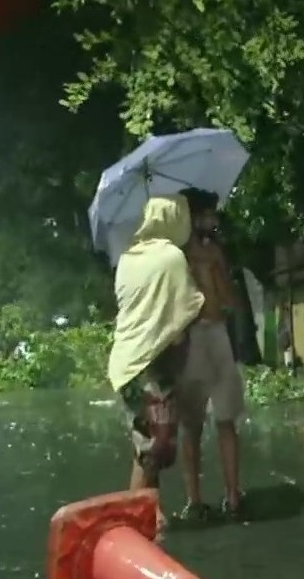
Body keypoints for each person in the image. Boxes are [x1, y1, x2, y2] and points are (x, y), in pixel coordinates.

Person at [107, 195, 205, 532]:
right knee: (156, 445)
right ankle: (137, 520)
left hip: (126, 362)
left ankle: (149, 512)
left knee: (145, 441)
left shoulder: (126, 258)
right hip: (153, 362)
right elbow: (191, 306)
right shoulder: (171, 257)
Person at [175, 188, 247, 521]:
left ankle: (232, 493)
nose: (213, 220)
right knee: (192, 423)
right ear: (194, 217)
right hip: (191, 339)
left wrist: (217, 273)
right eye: (208, 215)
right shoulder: (176, 257)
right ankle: (195, 498)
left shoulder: (213, 252)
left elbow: (228, 299)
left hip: (216, 334)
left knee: (225, 417)